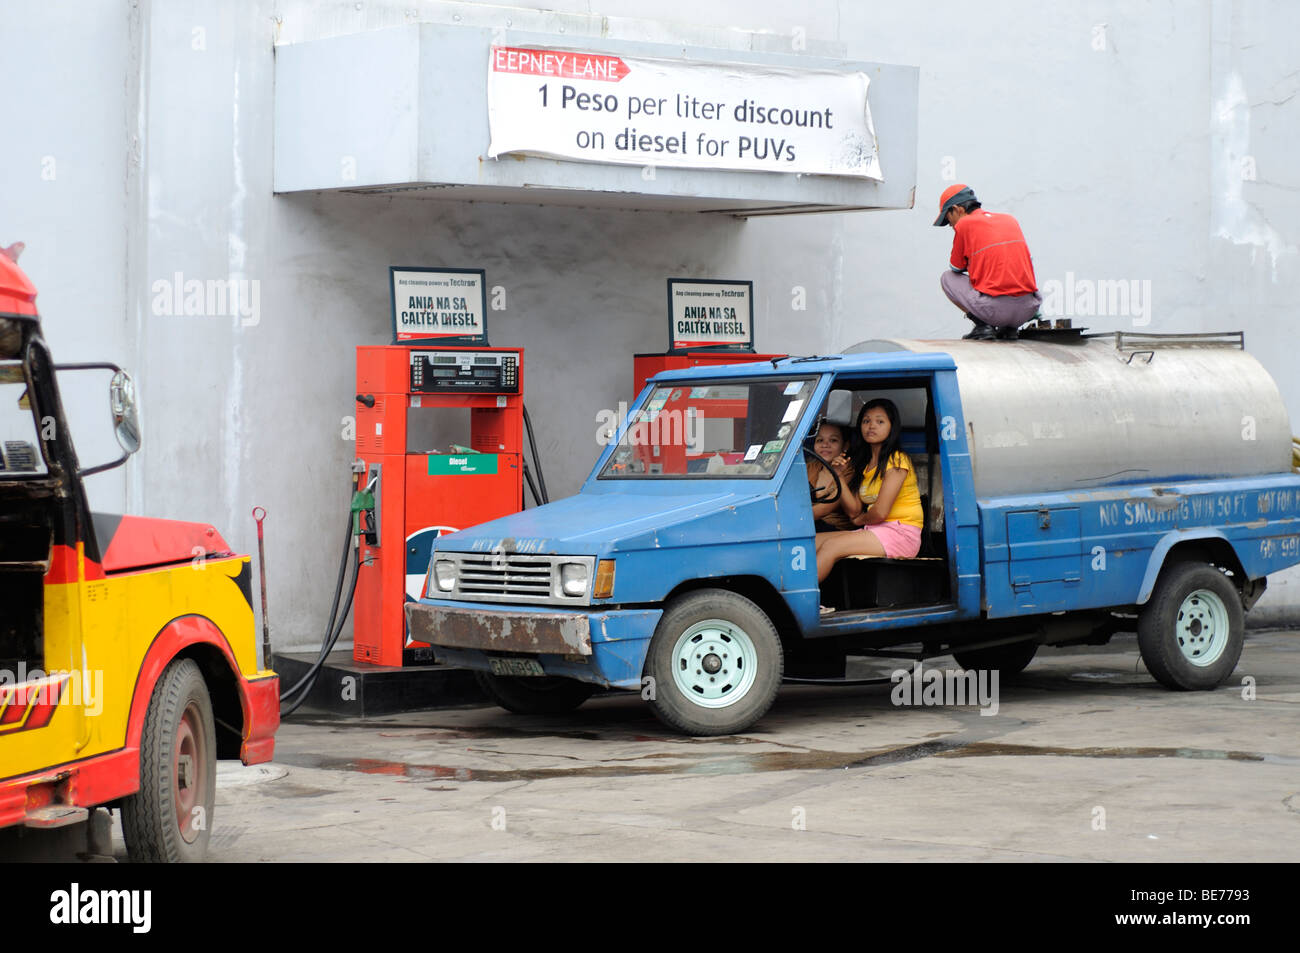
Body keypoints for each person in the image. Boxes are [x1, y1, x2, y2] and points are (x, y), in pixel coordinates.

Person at [815, 399, 923, 592]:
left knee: (831, 546)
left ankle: (799, 602)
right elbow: (854, 509)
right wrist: (839, 476)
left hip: (901, 533)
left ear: (892, 427)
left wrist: (859, 520)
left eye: (880, 422)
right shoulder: (865, 464)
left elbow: (880, 513)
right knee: (812, 541)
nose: (871, 426)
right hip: (875, 530)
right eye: (866, 421)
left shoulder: (897, 460)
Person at [934, 184, 1042, 341]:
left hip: (994, 312)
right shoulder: (1010, 219)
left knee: (947, 278)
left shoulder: (964, 224)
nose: (950, 225)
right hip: (1027, 310)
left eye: (948, 219)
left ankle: (983, 326)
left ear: (958, 210)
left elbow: (956, 268)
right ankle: (1009, 329)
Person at [807, 420, 855, 532]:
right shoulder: (809, 467)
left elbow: (824, 509)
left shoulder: (849, 472)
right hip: (808, 524)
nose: (825, 445)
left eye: (833, 440)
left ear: (845, 446)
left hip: (834, 530)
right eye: (820, 440)